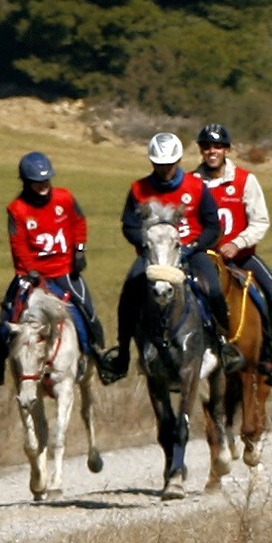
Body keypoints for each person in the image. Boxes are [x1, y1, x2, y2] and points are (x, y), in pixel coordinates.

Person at [0, 151, 110, 391]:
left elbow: (79, 222)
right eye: (37, 182)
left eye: (46, 180)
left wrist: (79, 250)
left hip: (65, 271)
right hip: (31, 276)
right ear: (26, 182)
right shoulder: (17, 209)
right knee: (7, 318)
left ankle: (100, 357)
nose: (43, 185)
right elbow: (18, 245)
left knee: (87, 311)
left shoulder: (65, 198)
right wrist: (30, 271)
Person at [106, 131, 228, 385]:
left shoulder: (196, 186)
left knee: (214, 288)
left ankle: (224, 343)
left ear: (179, 160)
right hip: (153, 255)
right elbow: (129, 225)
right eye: (159, 164)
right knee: (129, 291)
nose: (165, 170)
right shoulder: (138, 189)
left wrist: (193, 246)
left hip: (191, 251)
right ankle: (124, 353)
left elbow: (212, 226)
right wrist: (146, 243)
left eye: (170, 164)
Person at [196, 123, 272, 387]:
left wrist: (238, 243)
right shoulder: (192, 182)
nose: (212, 151)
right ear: (201, 150)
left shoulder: (245, 180)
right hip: (203, 258)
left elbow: (260, 221)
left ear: (226, 150)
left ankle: (268, 358)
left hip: (240, 256)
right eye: (207, 146)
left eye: (217, 146)